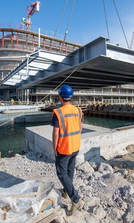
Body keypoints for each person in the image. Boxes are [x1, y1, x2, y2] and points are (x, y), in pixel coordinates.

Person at [51, 85, 84, 216]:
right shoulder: (78, 110)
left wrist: (54, 148)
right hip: (75, 146)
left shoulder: (58, 112)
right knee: (70, 170)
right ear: (71, 97)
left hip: (64, 148)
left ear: (60, 96)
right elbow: (80, 127)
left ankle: (75, 198)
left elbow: (55, 133)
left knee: (61, 173)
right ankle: (66, 190)